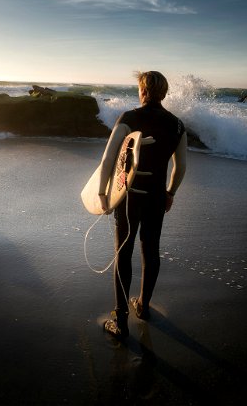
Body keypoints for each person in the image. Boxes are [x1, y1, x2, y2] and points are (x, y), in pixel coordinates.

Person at [98, 70, 187, 338]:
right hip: (156, 196)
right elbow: (180, 167)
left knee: (123, 253)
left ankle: (121, 320)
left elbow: (107, 160)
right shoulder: (177, 125)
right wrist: (170, 192)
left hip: (130, 197)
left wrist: (104, 196)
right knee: (151, 250)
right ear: (164, 92)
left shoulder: (129, 118)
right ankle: (144, 307)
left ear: (143, 90)